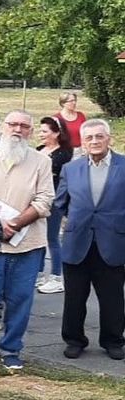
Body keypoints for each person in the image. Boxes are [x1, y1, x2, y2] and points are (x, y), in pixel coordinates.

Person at [0, 110, 54, 371]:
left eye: (24, 126)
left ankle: (11, 350)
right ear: (3, 128)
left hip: (28, 246)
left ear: (30, 131)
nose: (17, 130)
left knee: (20, 299)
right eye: (12, 124)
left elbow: (44, 200)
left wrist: (15, 224)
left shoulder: (41, 161)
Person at [53, 119, 125, 361]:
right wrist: (74, 221)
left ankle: (113, 341)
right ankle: (74, 340)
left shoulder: (123, 166)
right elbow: (61, 202)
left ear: (109, 138)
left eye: (99, 136)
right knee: (74, 297)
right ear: (82, 142)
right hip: (77, 241)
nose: (94, 142)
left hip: (112, 242)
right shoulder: (70, 169)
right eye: (89, 138)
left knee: (112, 298)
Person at [36, 116, 74, 294]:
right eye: (41, 130)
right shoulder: (39, 150)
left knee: (51, 238)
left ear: (57, 133)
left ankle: (57, 276)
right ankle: (38, 273)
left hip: (53, 201)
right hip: (36, 199)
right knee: (39, 238)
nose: (41, 134)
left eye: (45, 131)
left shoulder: (63, 154)